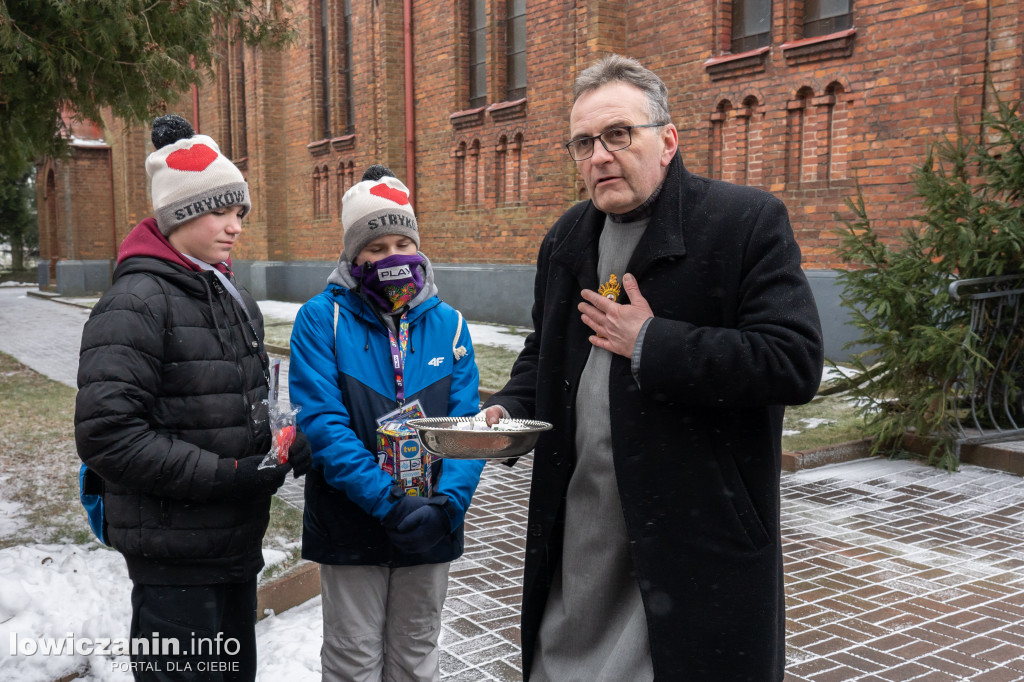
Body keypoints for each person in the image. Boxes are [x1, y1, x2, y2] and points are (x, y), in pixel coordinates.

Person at [480, 55, 824, 681]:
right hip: (584, 535)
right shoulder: (566, 239)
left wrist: (652, 343)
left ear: (667, 140)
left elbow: (794, 362)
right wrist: (510, 408)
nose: (600, 156)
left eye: (618, 134)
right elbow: (545, 349)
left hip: (695, 544)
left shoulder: (743, 224)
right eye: (583, 143)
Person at [75, 115, 312, 681]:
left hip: (233, 542)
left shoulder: (231, 295)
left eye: (239, 214)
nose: (234, 227)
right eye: (219, 212)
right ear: (178, 214)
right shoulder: (136, 301)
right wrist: (227, 473)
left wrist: (282, 445)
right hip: (173, 555)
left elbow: (234, 400)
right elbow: (108, 435)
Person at [288, 165, 485, 682]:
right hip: (350, 518)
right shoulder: (320, 318)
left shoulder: (451, 324)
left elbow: (468, 426)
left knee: (417, 655)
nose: (392, 257)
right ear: (353, 257)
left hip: (433, 522)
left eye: (403, 243)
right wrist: (388, 500)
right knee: (353, 659)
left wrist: (448, 506)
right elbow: (324, 423)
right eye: (376, 248)